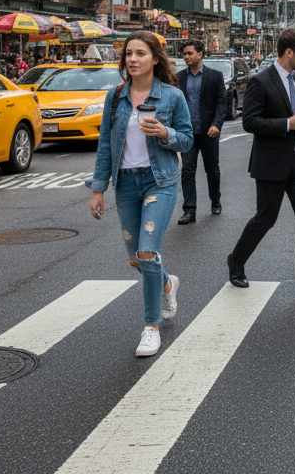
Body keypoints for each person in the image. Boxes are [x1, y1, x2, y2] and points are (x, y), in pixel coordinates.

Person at [87, 31, 194, 357]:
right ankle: (166, 283)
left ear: (155, 58)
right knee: (137, 258)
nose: (132, 59)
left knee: (148, 253)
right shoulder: (115, 96)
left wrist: (165, 133)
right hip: (126, 183)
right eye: (129, 54)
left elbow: (187, 140)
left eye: (140, 53)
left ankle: (151, 327)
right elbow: (106, 143)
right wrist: (98, 189)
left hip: (159, 182)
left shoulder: (172, 97)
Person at [226, 28, 295, 300]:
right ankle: (236, 261)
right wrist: (289, 124)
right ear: (289, 52)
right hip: (272, 162)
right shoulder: (260, 81)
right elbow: (249, 121)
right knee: (266, 218)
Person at [176, 40, 229, 225]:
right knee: (188, 170)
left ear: (200, 54)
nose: (186, 57)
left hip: (209, 132)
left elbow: (222, 103)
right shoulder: (179, 77)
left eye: (190, 53)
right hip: (188, 133)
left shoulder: (215, 76)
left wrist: (216, 125)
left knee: (212, 170)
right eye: (184, 54)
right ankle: (189, 210)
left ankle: (215, 200)